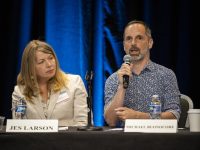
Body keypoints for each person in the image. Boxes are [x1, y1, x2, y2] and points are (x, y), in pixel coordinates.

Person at [104, 20, 181, 127]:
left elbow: (174, 116)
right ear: (124, 45)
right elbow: (110, 121)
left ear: (150, 43)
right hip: (125, 141)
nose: (133, 43)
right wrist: (121, 86)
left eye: (139, 38)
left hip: (159, 140)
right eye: (128, 39)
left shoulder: (166, 75)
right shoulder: (113, 79)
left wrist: (137, 116)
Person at [12, 40, 88, 126]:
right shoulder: (20, 92)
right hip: (34, 139)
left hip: (68, 139)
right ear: (30, 67)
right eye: (41, 62)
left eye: (51, 58)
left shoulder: (74, 83)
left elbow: (83, 123)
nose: (49, 64)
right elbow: (18, 126)